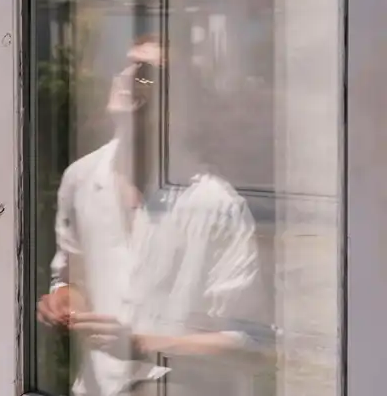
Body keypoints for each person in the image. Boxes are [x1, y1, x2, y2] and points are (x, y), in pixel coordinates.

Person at [37, 39, 270, 395]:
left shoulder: (215, 204)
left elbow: (251, 342)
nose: (128, 77)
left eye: (146, 73)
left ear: (177, 103)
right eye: (125, 65)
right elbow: (72, 277)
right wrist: (65, 300)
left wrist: (143, 344)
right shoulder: (80, 179)